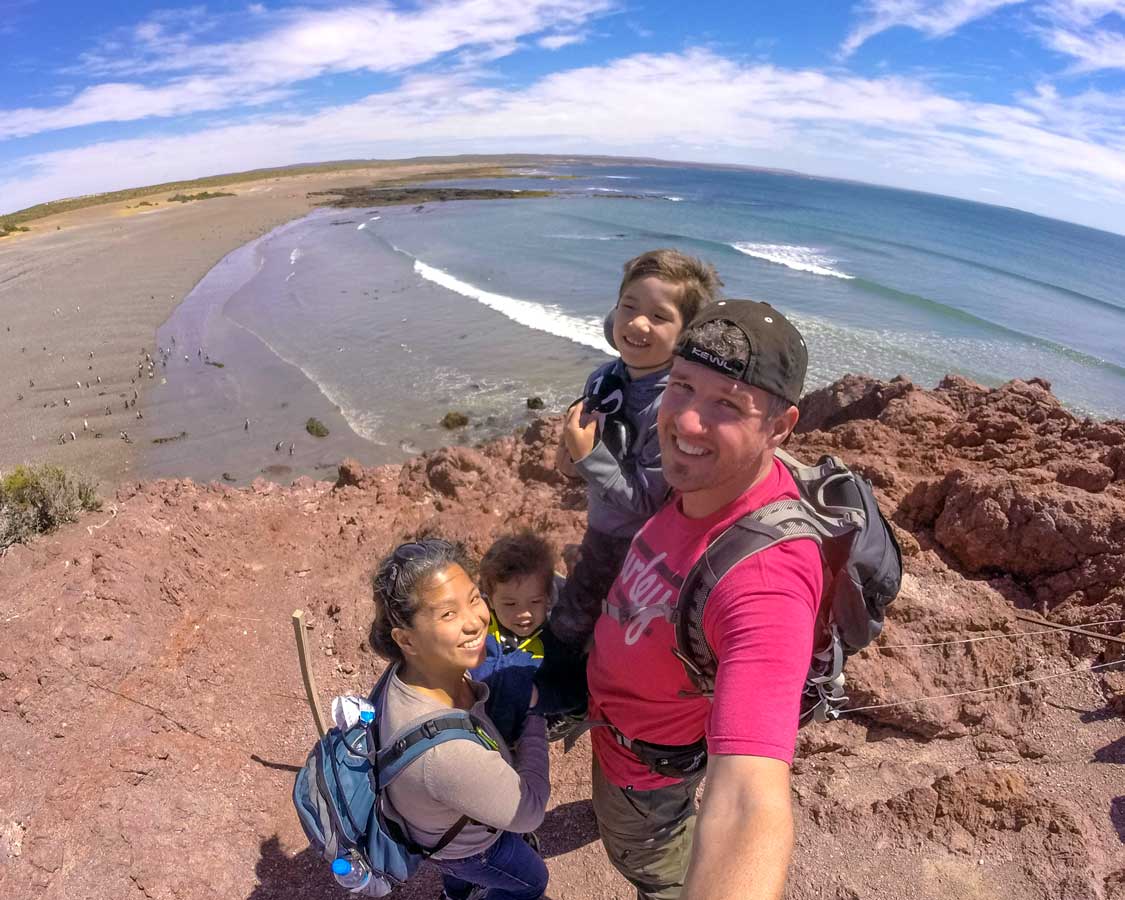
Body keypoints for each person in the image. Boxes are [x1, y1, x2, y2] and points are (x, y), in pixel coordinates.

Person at [585, 300, 823, 900]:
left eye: (727, 405)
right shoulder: (703, 478)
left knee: (650, 864)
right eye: (682, 386)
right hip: (614, 726)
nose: (687, 422)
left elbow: (747, 798)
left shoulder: (765, 580)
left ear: (781, 426)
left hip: (644, 768)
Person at [543, 250, 722, 710]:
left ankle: (561, 700)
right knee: (596, 613)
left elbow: (646, 500)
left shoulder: (672, 407)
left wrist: (590, 457)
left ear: (685, 335)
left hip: (635, 541)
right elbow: (588, 451)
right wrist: (573, 459)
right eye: (629, 306)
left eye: (659, 316)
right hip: (602, 526)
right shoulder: (606, 376)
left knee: (573, 622)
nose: (638, 324)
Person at [369, 538, 550, 900]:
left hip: (436, 832)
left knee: (456, 875)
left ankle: (456, 894)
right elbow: (528, 812)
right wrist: (535, 718)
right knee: (532, 882)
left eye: (473, 599)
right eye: (448, 614)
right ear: (406, 638)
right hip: (470, 846)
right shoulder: (447, 754)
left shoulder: (409, 674)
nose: (475, 622)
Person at [470, 531, 558, 744]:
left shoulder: (554, 642)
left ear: (548, 598)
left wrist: (539, 696)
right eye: (510, 604)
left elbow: (571, 692)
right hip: (467, 734)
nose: (524, 614)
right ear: (490, 600)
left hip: (516, 744)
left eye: (535, 602)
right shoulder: (478, 626)